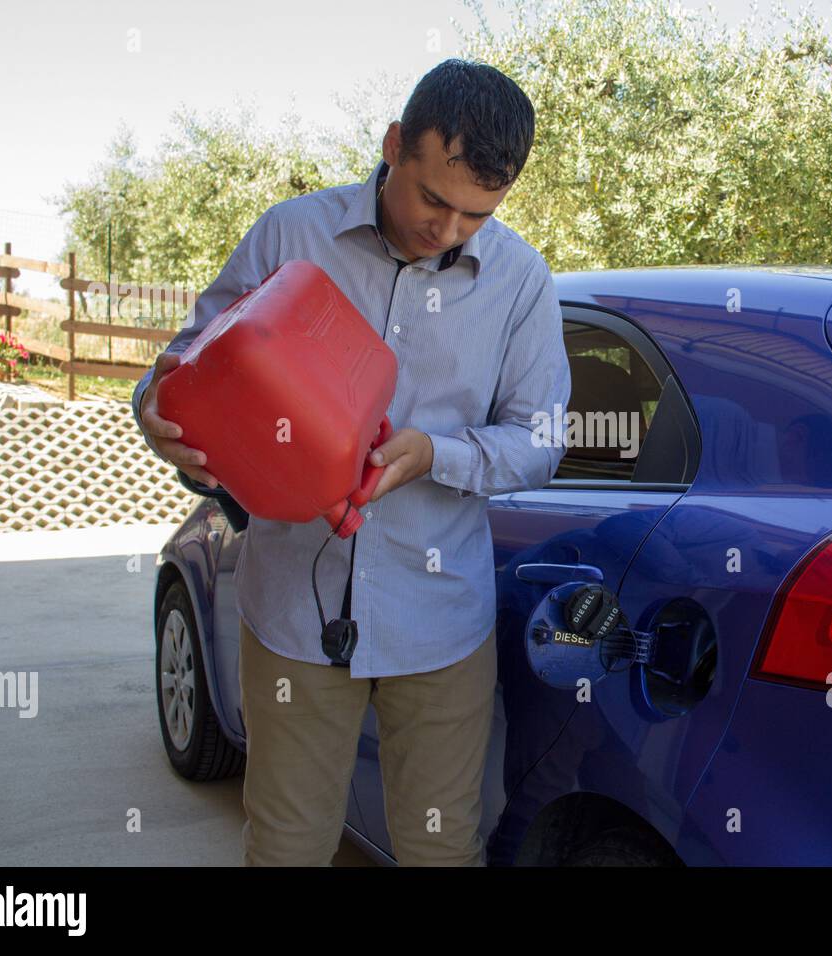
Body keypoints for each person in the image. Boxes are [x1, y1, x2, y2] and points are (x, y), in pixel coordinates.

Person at [130, 58, 570, 866]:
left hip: (440, 623)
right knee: (287, 847)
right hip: (294, 619)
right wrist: (158, 418)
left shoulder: (522, 284)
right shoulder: (288, 235)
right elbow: (180, 369)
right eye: (434, 199)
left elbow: (542, 441)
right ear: (394, 143)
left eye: (476, 216)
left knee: (442, 853)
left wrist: (435, 454)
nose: (446, 232)